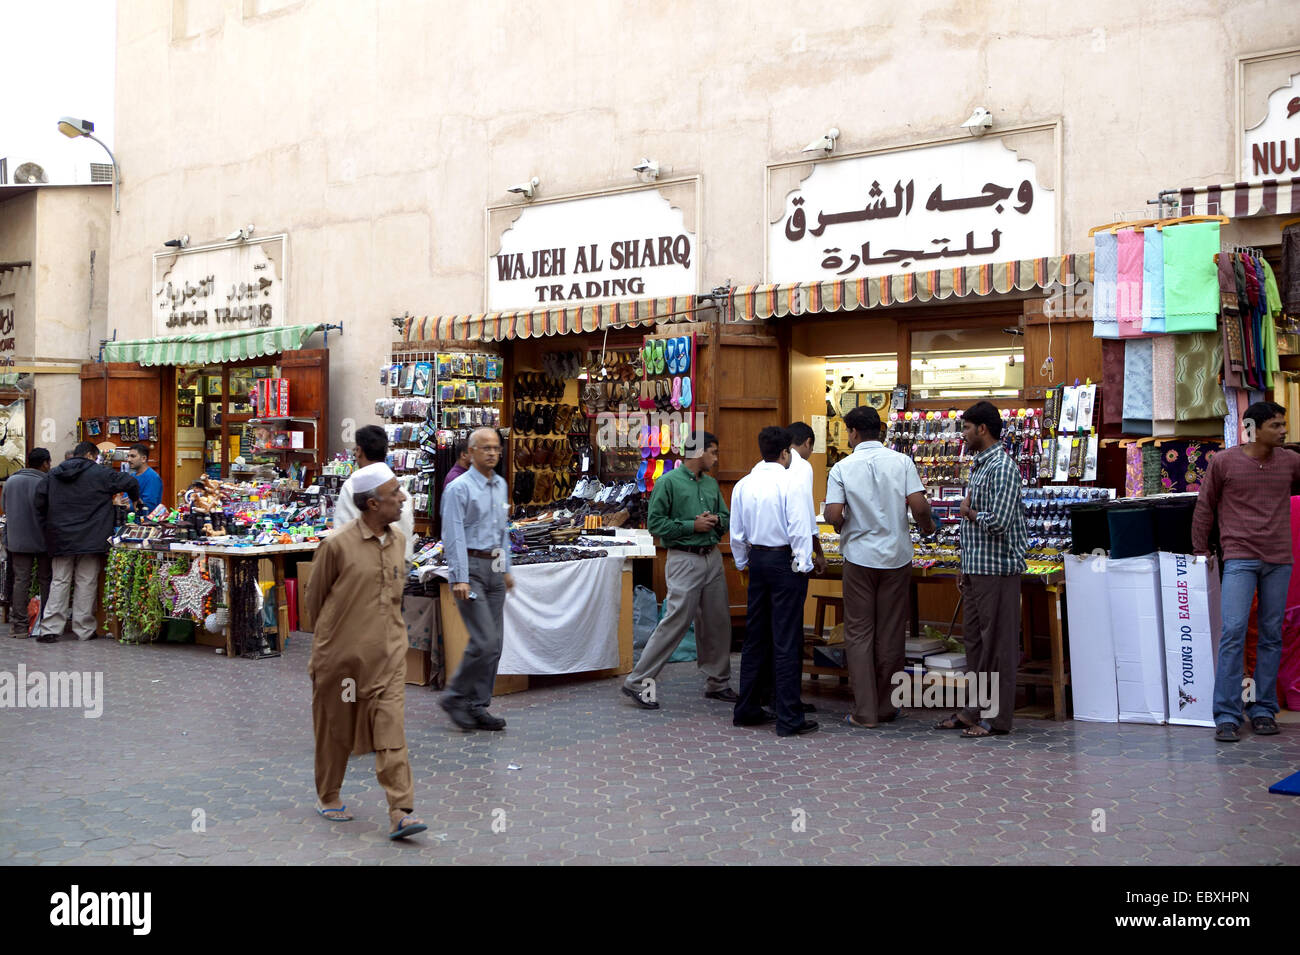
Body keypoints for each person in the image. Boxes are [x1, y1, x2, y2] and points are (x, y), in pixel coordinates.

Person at [303, 462, 426, 840]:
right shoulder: (336, 544)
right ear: (373, 504)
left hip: (388, 656)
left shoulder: (400, 541)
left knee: (391, 730)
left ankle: (400, 810)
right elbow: (314, 599)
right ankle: (329, 794)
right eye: (395, 494)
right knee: (335, 730)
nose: (404, 498)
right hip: (341, 660)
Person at [1192, 400, 1300, 742]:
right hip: (1239, 557)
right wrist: (1198, 549)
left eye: (1284, 425)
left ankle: (1263, 709)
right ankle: (1226, 714)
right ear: (1254, 428)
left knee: (1271, 635)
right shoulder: (1224, 462)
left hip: (1279, 558)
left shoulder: (1291, 463)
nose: (1284, 431)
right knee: (1233, 632)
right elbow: (1205, 506)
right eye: (1277, 426)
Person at [825, 406, 935, 728]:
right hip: (896, 557)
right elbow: (919, 505)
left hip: (859, 559)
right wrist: (927, 527)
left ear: (854, 433)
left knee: (859, 634)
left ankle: (865, 712)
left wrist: (843, 524)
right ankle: (888, 707)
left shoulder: (842, 467)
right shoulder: (902, 462)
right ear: (881, 432)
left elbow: (832, 514)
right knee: (890, 633)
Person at [622, 431, 736, 709]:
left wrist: (715, 520)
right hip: (684, 559)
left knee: (717, 622)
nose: (716, 458)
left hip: (711, 558)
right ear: (698, 452)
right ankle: (638, 682)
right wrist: (691, 525)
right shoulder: (667, 483)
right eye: (713, 452)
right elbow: (656, 525)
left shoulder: (710, 485)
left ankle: (717, 682)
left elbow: (727, 518)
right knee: (675, 622)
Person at [932, 401, 1027, 738]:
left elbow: (999, 522)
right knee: (975, 644)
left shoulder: (1002, 467)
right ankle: (973, 709)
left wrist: (969, 513)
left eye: (967, 428)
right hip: (977, 569)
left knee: (998, 646)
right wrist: (964, 564)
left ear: (982, 429)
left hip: (998, 570)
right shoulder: (980, 465)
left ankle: (997, 719)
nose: (963, 434)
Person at [731, 426, 818, 736]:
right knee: (786, 638)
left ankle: (747, 707)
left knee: (755, 637)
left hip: (758, 560)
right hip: (784, 562)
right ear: (785, 453)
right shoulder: (790, 482)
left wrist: (744, 563)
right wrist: (803, 563)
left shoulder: (744, 484)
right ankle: (789, 717)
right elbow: (799, 528)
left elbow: (737, 533)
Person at [439, 427, 514, 731]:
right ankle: (455, 696)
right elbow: (452, 533)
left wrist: (507, 568)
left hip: (495, 568)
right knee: (483, 640)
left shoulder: (500, 485)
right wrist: (459, 576)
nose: (493, 453)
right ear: (470, 453)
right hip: (471, 567)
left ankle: (478, 704)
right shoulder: (458, 488)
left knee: (494, 643)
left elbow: (503, 528)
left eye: (496, 448)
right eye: (485, 448)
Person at [33, 441, 140, 642]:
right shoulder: (100, 473)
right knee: (86, 581)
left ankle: (50, 628)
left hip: (61, 536)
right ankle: (83, 628)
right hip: (92, 537)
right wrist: (135, 499)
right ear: (91, 455)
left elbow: (39, 500)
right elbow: (130, 482)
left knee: (60, 580)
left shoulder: (54, 474)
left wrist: (47, 524)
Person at [334, 425, 415, 560]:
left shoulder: (354, 485)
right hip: (399, 563)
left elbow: (341, 533)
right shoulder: (400, 488)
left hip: (367, 565)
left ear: (359, 451)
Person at [2, 448, 54, 638]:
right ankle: (46, 625)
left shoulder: (11, 481)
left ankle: (20, 626)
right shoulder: (45, 482)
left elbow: (5, 507)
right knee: (45, 579)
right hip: (42, 539)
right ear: (45, 463)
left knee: (20, 581)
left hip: (18, 539)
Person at [126, 443, 163, 511]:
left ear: (143, 458)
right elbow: (125, 499)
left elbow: (148, 506)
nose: (128, 460)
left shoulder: (153, 478)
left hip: (144, 520)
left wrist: (126, 507)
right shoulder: (131, 476)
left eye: (132, 456)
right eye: (128, 456)